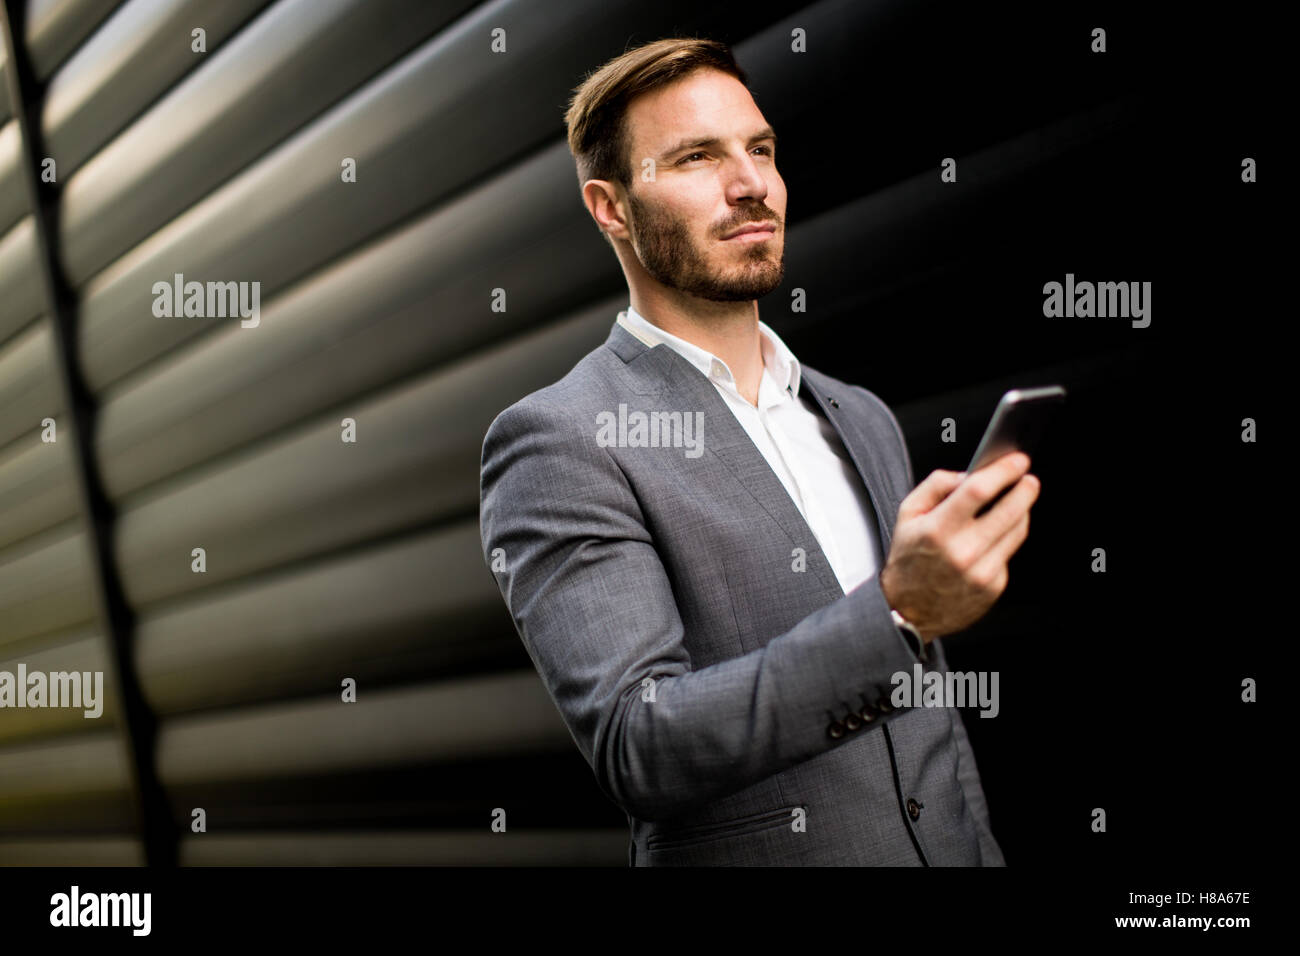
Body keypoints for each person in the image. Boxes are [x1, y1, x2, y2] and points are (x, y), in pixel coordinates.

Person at [479, 37, 1038, 865]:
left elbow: (933, 735)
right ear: (612, 207)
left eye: (761, 150)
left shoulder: (863, 416)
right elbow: (641, 746)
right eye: (698, 157)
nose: (751, 185)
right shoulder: (562, 439)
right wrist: (898, 612)